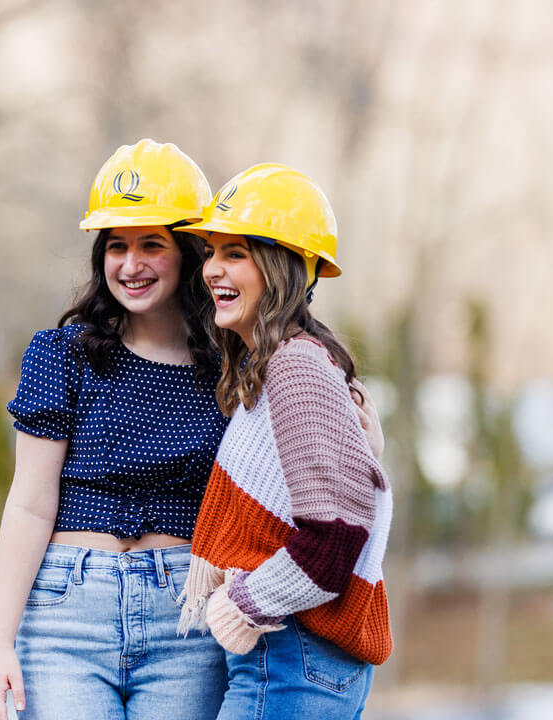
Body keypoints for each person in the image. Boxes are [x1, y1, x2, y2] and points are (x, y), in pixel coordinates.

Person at [0, 139, 230, 720]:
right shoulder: (61, 354)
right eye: (116, 246)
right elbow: (29, 504)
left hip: (187, 619)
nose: (130, 264)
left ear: (191, 252)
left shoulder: (230, 369)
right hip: (67, 615)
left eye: (152, 245)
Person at [176, 163, 392, 719]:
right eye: (210, 253)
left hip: (294, 655)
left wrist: (245, 604)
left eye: (236, 254)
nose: (212, 270)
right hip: (296, 656)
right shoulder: (280, 363)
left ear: (283, 269)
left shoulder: (295, 366)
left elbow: (336, 536)